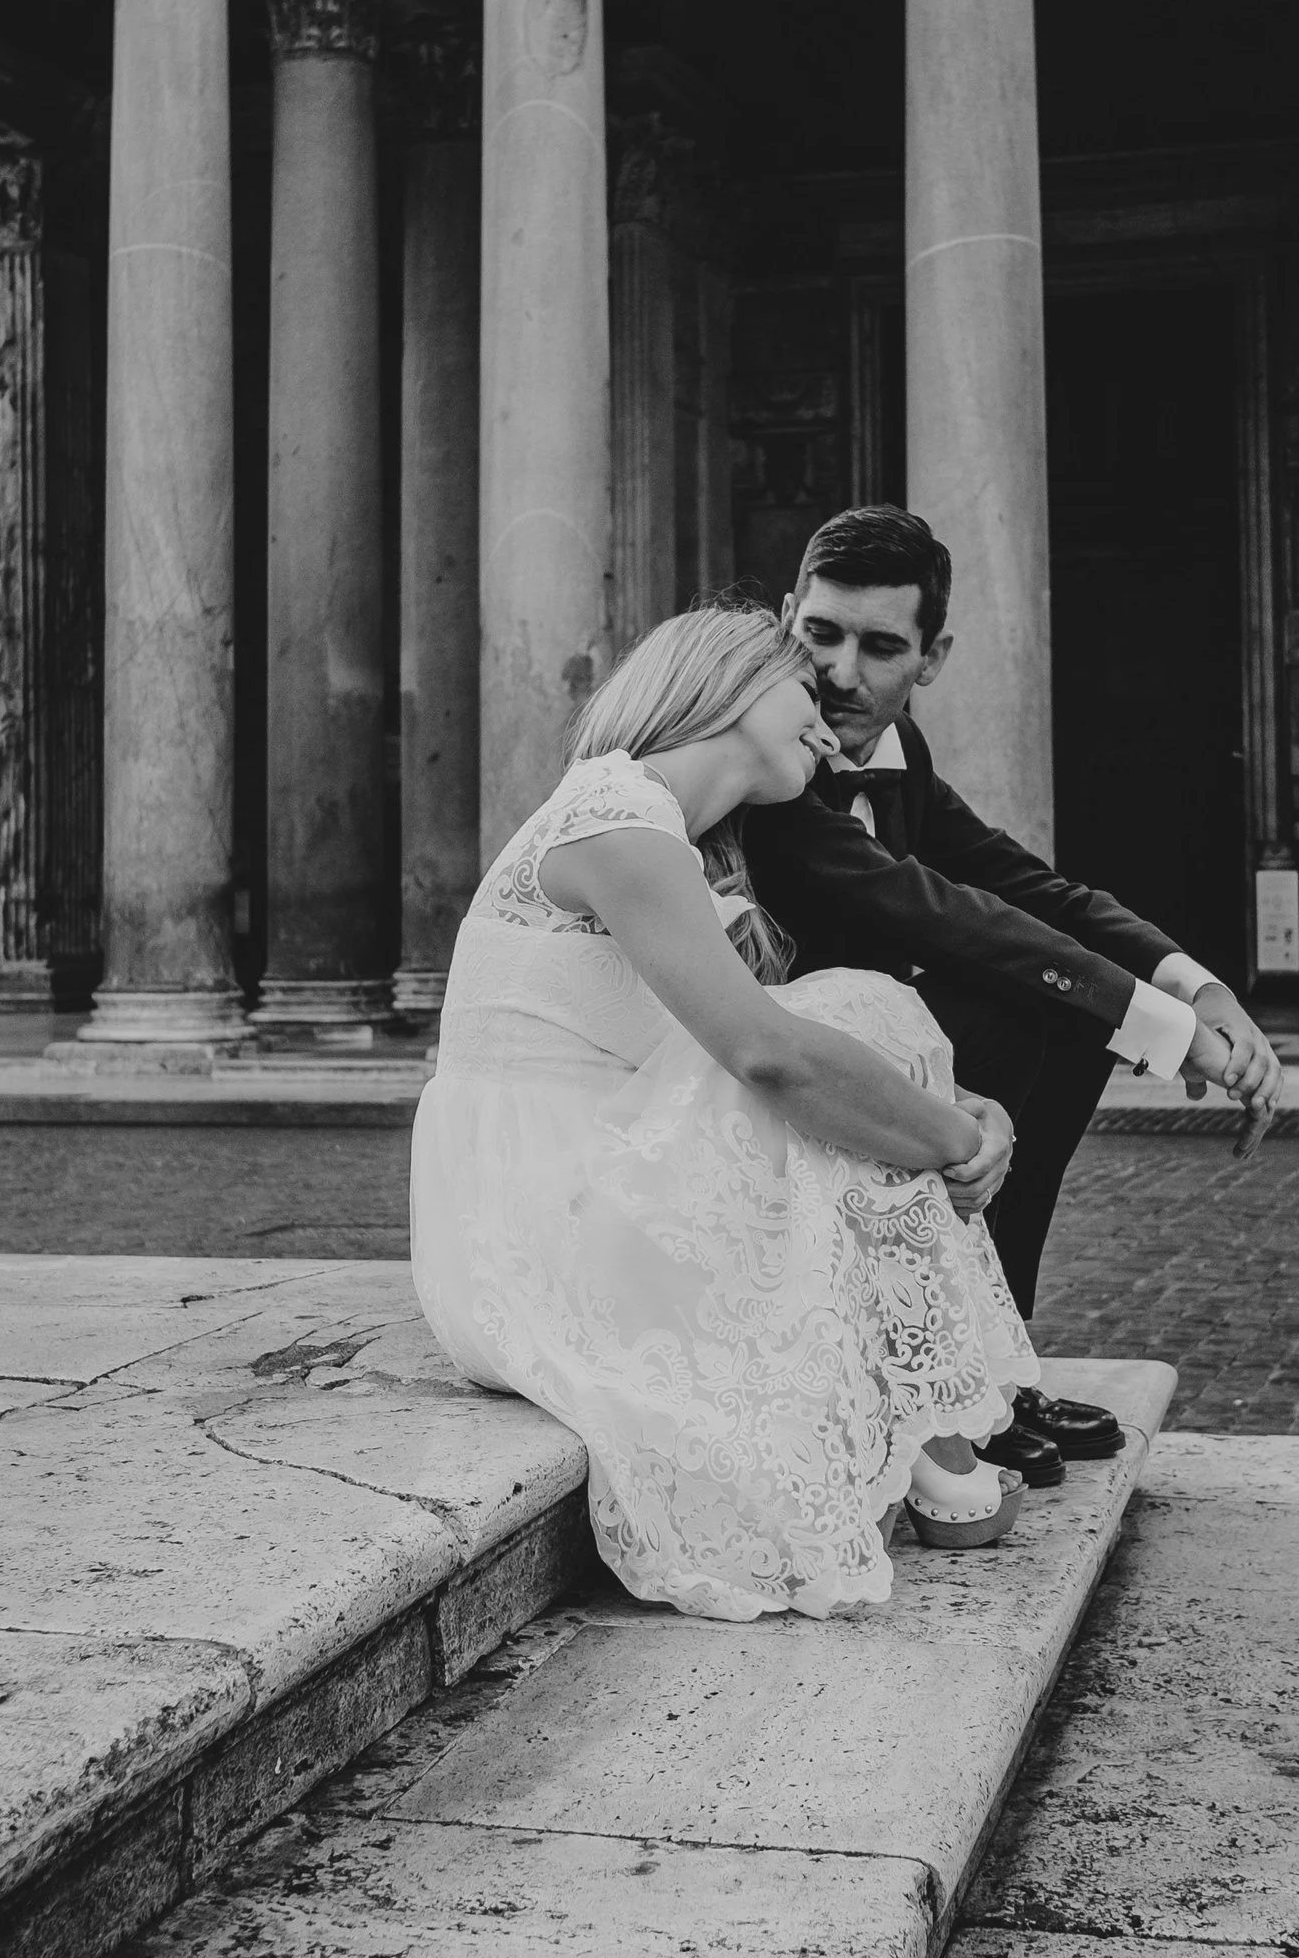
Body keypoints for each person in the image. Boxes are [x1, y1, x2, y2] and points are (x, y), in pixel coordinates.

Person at [411, 603, 1213, 1619]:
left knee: (857, 1017)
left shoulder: (660, 833)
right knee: (842, 1017)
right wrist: (953, 1140)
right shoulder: (614, 814)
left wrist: (971, 1116)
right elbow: (769, 1057)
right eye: (805, 690)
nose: (828, 725)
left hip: (572, 1180)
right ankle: (940, 1438)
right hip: (526, 1230)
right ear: (732, 681)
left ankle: (936, 1436)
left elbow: (750, 1052)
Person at [742, 505, 1282, 1479]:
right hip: (744, 1059)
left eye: (879, 646)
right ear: (787, 615)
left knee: (1061, 1019)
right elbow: (938, 913)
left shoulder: (898, 756)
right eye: (818, 633)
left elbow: (1028, 886)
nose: (839, 672)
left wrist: (1197, 992)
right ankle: (953, 1381)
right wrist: (1162, 1029)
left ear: (931, 657)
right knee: (1012, 1006)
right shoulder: (767, 762)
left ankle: (993, 1361)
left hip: (829, 1040)